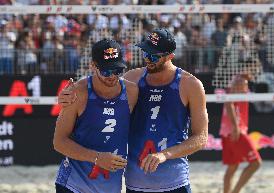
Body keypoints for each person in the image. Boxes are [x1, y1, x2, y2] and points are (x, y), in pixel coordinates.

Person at [59, 28, 208, 193]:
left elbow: (201, 138)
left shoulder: (190, 85)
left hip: (175, 181)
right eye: (145, 53)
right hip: (135, 184)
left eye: (153, 56)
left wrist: (164, 154)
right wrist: (66, 97)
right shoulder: (132, 79)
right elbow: (99, 85)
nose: (147, 59)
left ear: (170, 56)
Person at [53, 39, 138, 193]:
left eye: (117, 70)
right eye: (106, 71)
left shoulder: (132, 92)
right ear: (93, 66)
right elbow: (59, 142)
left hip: (109, 186)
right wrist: (97, 158)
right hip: (73, 184)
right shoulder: (77, 93)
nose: (112, 76)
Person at [219, 74, 262, 193]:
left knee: (233, 167)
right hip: (235, 132)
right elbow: (229, 104)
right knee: (256, 163)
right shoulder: (233, 91)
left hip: (227, 133)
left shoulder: (241, 90)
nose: (244, 86)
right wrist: (235, 126)